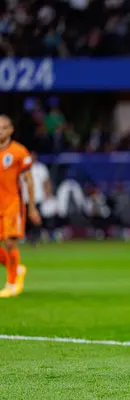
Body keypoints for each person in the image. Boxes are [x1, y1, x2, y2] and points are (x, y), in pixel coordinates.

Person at [0, 115, 41, 298]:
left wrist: (31, 207)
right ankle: (16, 269)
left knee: (10, 242)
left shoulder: (19, 152)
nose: (0, 131)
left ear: (11, 130)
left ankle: (10, 284)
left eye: (3, 128)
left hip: (12, 204)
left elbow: (29, 182)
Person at [21, 152, 52, 245]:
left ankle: (36, 237)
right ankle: (26, 236)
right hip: (25, 197)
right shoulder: (23, 168)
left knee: (36, 219)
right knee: (25, 219)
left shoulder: (41, 168)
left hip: (37, 197)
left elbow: (46, 181)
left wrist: (48, 193)